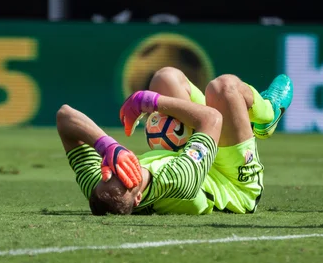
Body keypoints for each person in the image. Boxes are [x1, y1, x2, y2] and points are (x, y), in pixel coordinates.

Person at [56, 67, 293, 215]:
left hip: (191, 151)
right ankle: (268, 114)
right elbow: (212, 118)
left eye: (112, 174)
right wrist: (149, 101)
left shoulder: (98, 187)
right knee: (223, 88)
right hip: (232, 182)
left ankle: (243, 117)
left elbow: (65, 117)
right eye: (127, 180)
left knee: (165, 78)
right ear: (138, 199)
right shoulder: (178, 180)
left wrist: (108, 146)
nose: (121, 170)